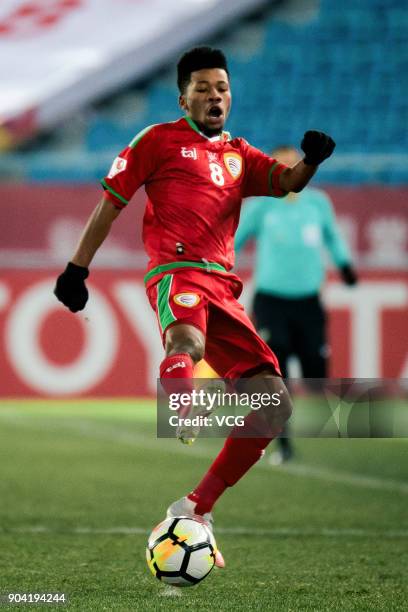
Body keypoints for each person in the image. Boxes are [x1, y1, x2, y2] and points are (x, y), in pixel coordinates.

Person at [54, 47, 336, 567]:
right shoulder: (157, 141)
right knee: (186, 341)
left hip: (224, 290)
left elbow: (288, 182)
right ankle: (180, 402)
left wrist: (312, 161)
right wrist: (77, 268)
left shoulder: (240, 155)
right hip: (175, 272)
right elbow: (110, 202)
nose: (215, 97)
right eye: (203, 88)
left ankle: (194, 506)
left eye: (222, 89)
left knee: (274, 404)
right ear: (183, 95)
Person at [235, 145, 358, 463]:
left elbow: (332, 236)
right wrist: (215, 268)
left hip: (308, 302)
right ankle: (283, 444)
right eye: (282, 165)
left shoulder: (317, 203)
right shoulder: (262, 206)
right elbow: (234, 239)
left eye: (295, 164)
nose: (290, 171)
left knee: (315, 373)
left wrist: (344, 265)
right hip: (271, 301)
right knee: (278, 373)